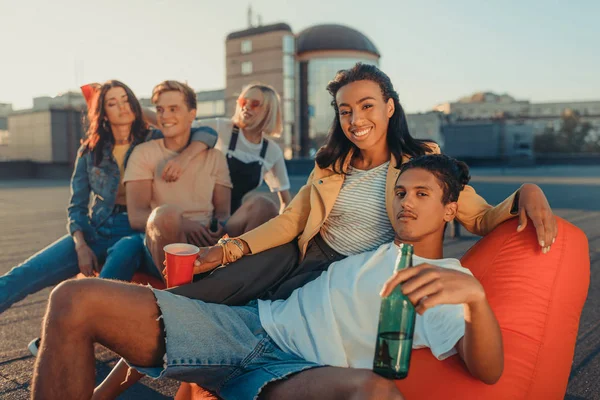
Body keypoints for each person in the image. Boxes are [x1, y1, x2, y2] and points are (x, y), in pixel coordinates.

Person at [93, 62, 557, 397]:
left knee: (232, 322)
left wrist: (525, 194)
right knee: (199, 296)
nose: (356, 120)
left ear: (390, 107)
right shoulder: (334, 163)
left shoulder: (420, 164)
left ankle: (183, 377)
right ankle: (113, 371)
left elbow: (478, 216)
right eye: (345, 110)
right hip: (301, 254)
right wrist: (231, 250)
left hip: (340, 275)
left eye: (367, 106)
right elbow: (292, 221)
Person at [31, 154, 504, 399]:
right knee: (73, 298)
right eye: (400, 192)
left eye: (422, 194)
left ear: (449, 209)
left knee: (374, 392)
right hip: (246, 326)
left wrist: (477, 304)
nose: (406, 202)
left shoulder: (443, 279)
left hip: (297, 372)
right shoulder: (374, 241)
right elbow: (292, 219)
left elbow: (487, 369)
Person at [0, 80, 215, 317]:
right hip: (98, 229)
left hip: (140, 230)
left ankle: (76, 329)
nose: (122, 107)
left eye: (126, 100)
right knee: (23, 274)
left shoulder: (154, 139)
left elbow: (207, 132)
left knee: (120, 257)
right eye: (113, 103)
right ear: (102, 113)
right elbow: (77, 207)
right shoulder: (90, 151)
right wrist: (81, 245)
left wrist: (183, 158)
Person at [194, 83, 292, 215]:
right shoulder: (221, 127)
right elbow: (182, 127)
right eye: (243, 101)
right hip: (198, 213)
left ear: (269, 110)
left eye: (255, 104)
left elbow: (286, 202)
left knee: (264, 205)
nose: (246, 107)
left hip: (233, 221)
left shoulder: (272, 152)